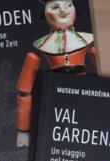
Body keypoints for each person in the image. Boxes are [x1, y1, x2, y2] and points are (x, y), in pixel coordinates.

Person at [16, 0, 95, 147]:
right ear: (45, 14)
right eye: (55, 7)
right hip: (55, 92)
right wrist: (23, 131)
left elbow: (107, 74)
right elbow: (24, 90)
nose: (63, 10)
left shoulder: (88, 40)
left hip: (84, 90)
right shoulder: (41, 45)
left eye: (68, 4)